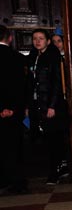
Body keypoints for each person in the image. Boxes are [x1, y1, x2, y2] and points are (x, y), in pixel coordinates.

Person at [27, 28, 69, 185]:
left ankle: (55, 173)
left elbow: (57, 83)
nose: (37, 41)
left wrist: (52, 106)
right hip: (37, 105)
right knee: (44, 139)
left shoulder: (52, 57)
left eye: (41, 38)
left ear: (47, 41)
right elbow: (30, 84)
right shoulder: (33, 57)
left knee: (54, 139)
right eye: (35, 38)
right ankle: (58, 168)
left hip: (51, 105)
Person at [0, 25, 27, 194]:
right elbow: (22, 87)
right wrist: (14, 109)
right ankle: (17, 183)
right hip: (14, 111)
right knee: (14, 147)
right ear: (10, 38)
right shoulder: (18, 58)